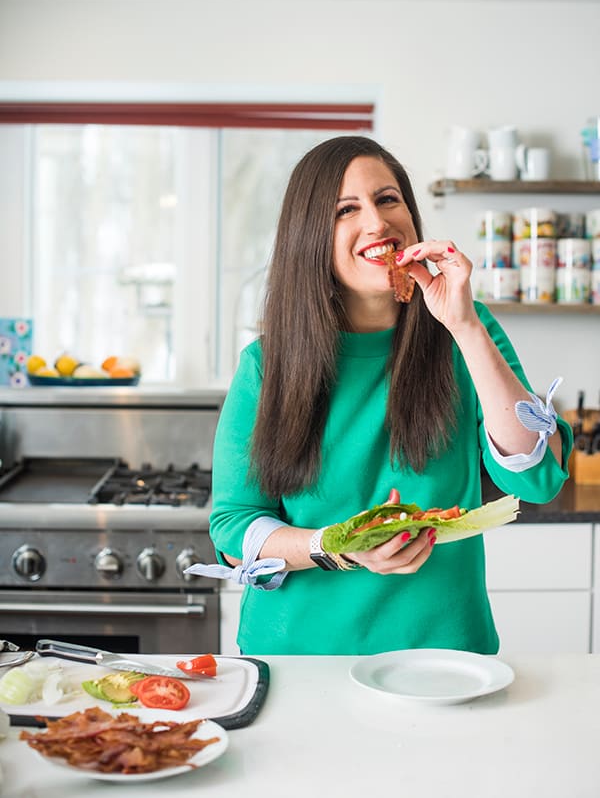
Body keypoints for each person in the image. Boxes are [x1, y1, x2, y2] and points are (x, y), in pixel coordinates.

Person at [202, 135, 572, 656]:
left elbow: (537, 478)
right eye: (345, 210)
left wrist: (462, 325)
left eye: (387, 199)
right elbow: (235, 525)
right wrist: (338, 546)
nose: (376, 223)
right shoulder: (266, 365)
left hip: (444, 655)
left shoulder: (467, 330)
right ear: (310, 236)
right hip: (299, 658)